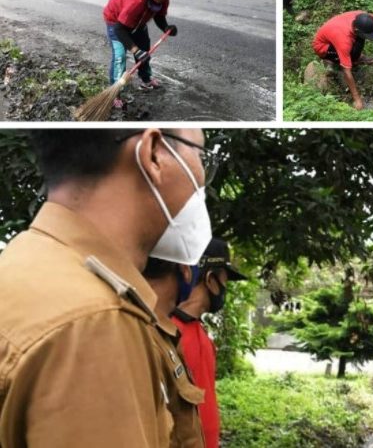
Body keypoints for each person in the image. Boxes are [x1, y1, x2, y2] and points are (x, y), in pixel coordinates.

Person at [0, 129, 215, 446]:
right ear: (153, 153)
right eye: (200, 156)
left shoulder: (23, 263)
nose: (201, 180)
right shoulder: (95, 319)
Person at [144, 238, 248, 448]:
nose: (225, 289)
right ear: (210, 280)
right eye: (225, 281)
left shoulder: (200, 332)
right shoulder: (163, 332)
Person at [103, 0, 178, 109]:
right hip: (116, 22)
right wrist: (134, 50)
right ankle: (115, 93)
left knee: (145, 52)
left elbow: (159, 15)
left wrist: (167, 28)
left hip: (138, 22)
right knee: (120, 58)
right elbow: (120, 29)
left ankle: (146, 79)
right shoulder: (135, 1)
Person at [312, 10, 373, 110]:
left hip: (337, 35)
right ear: (356, 29)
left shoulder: (361, 17)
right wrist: (357, 99)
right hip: (323, 48)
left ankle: (355, 57)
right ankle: (338, 61)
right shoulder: (343, 41)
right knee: (347, 60)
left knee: (360, 38)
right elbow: (346, 72)